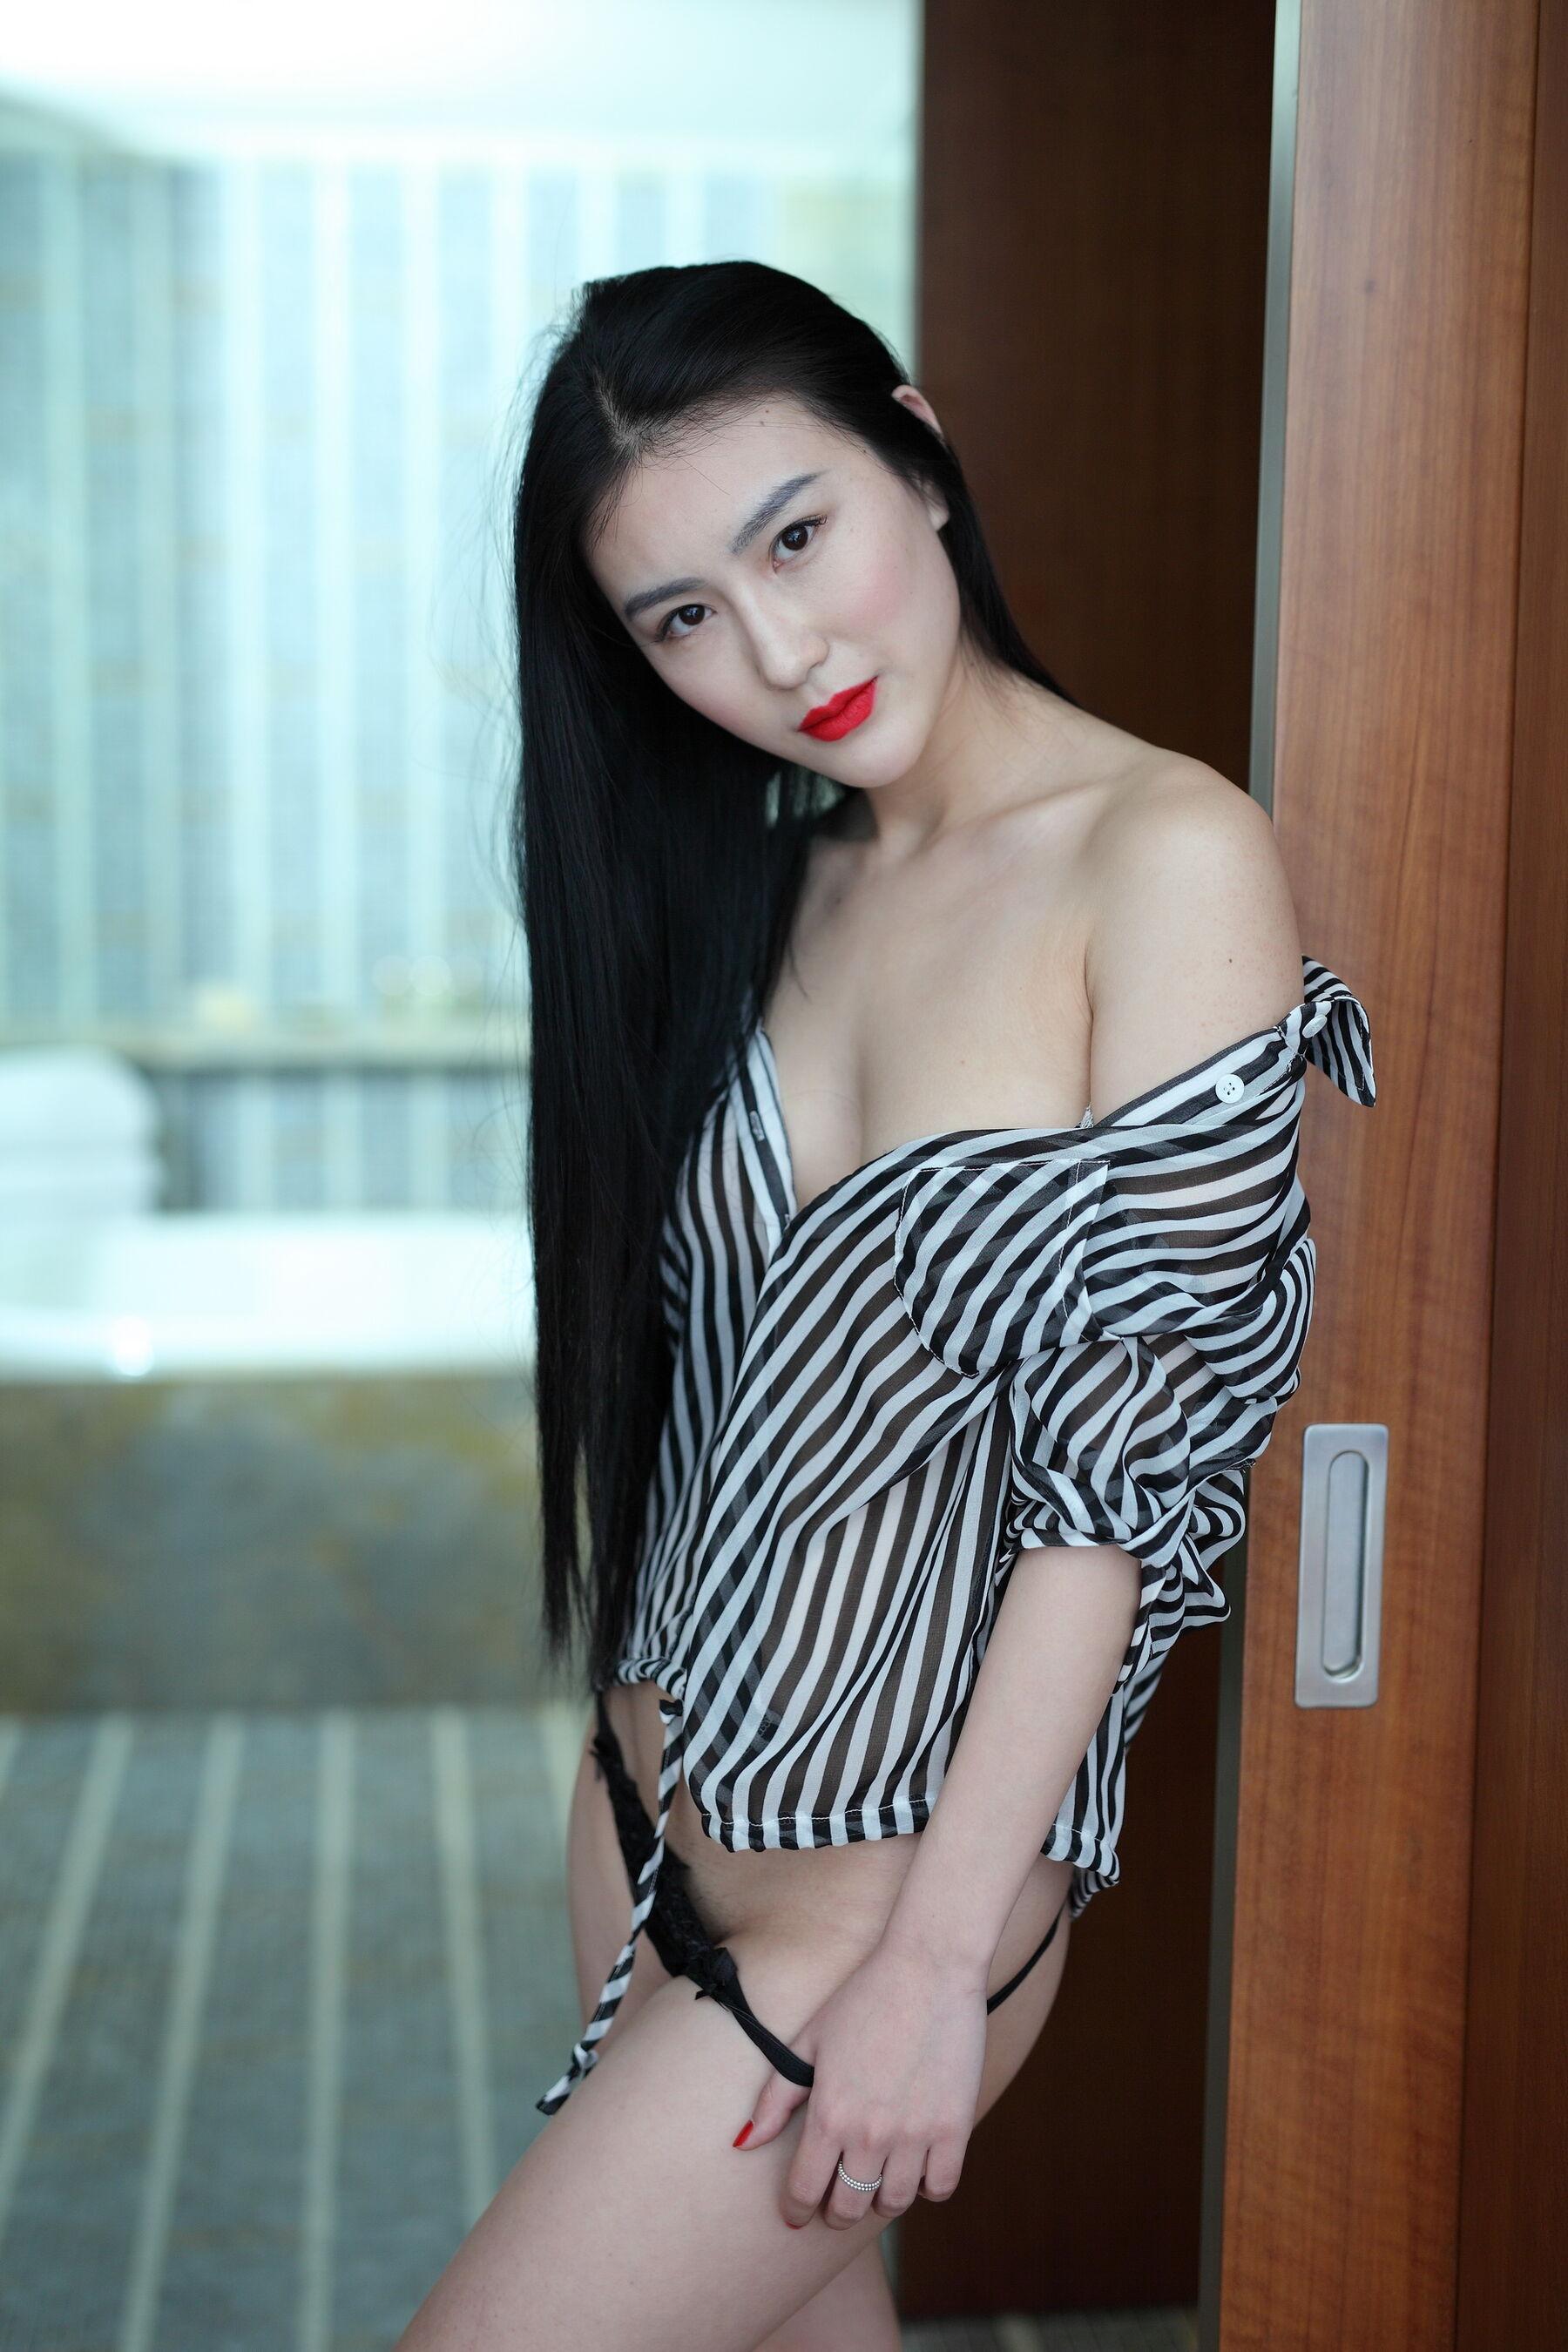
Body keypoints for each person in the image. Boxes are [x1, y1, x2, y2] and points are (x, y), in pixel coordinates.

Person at [395, 260, 1375, 2352]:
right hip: (641, 1811)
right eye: (680, 617)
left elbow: (1127, 1481)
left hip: (885, 1895)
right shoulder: (766, 876)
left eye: (796, 537)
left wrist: (938, 1964)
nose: (778, 652)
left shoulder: (1167, 857)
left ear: (918, 456)